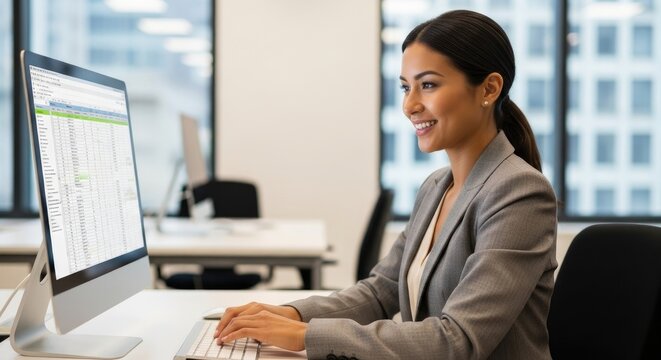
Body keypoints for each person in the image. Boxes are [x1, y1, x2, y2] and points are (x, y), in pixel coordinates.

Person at [214, 9, 557, 360]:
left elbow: (458, 340)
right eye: (406, 88)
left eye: (428, 85)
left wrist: (307, 335)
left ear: (489, 88)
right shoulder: (436, 186)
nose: (410, 105)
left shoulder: (520, 193)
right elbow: (383, 291)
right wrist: (293, 314)